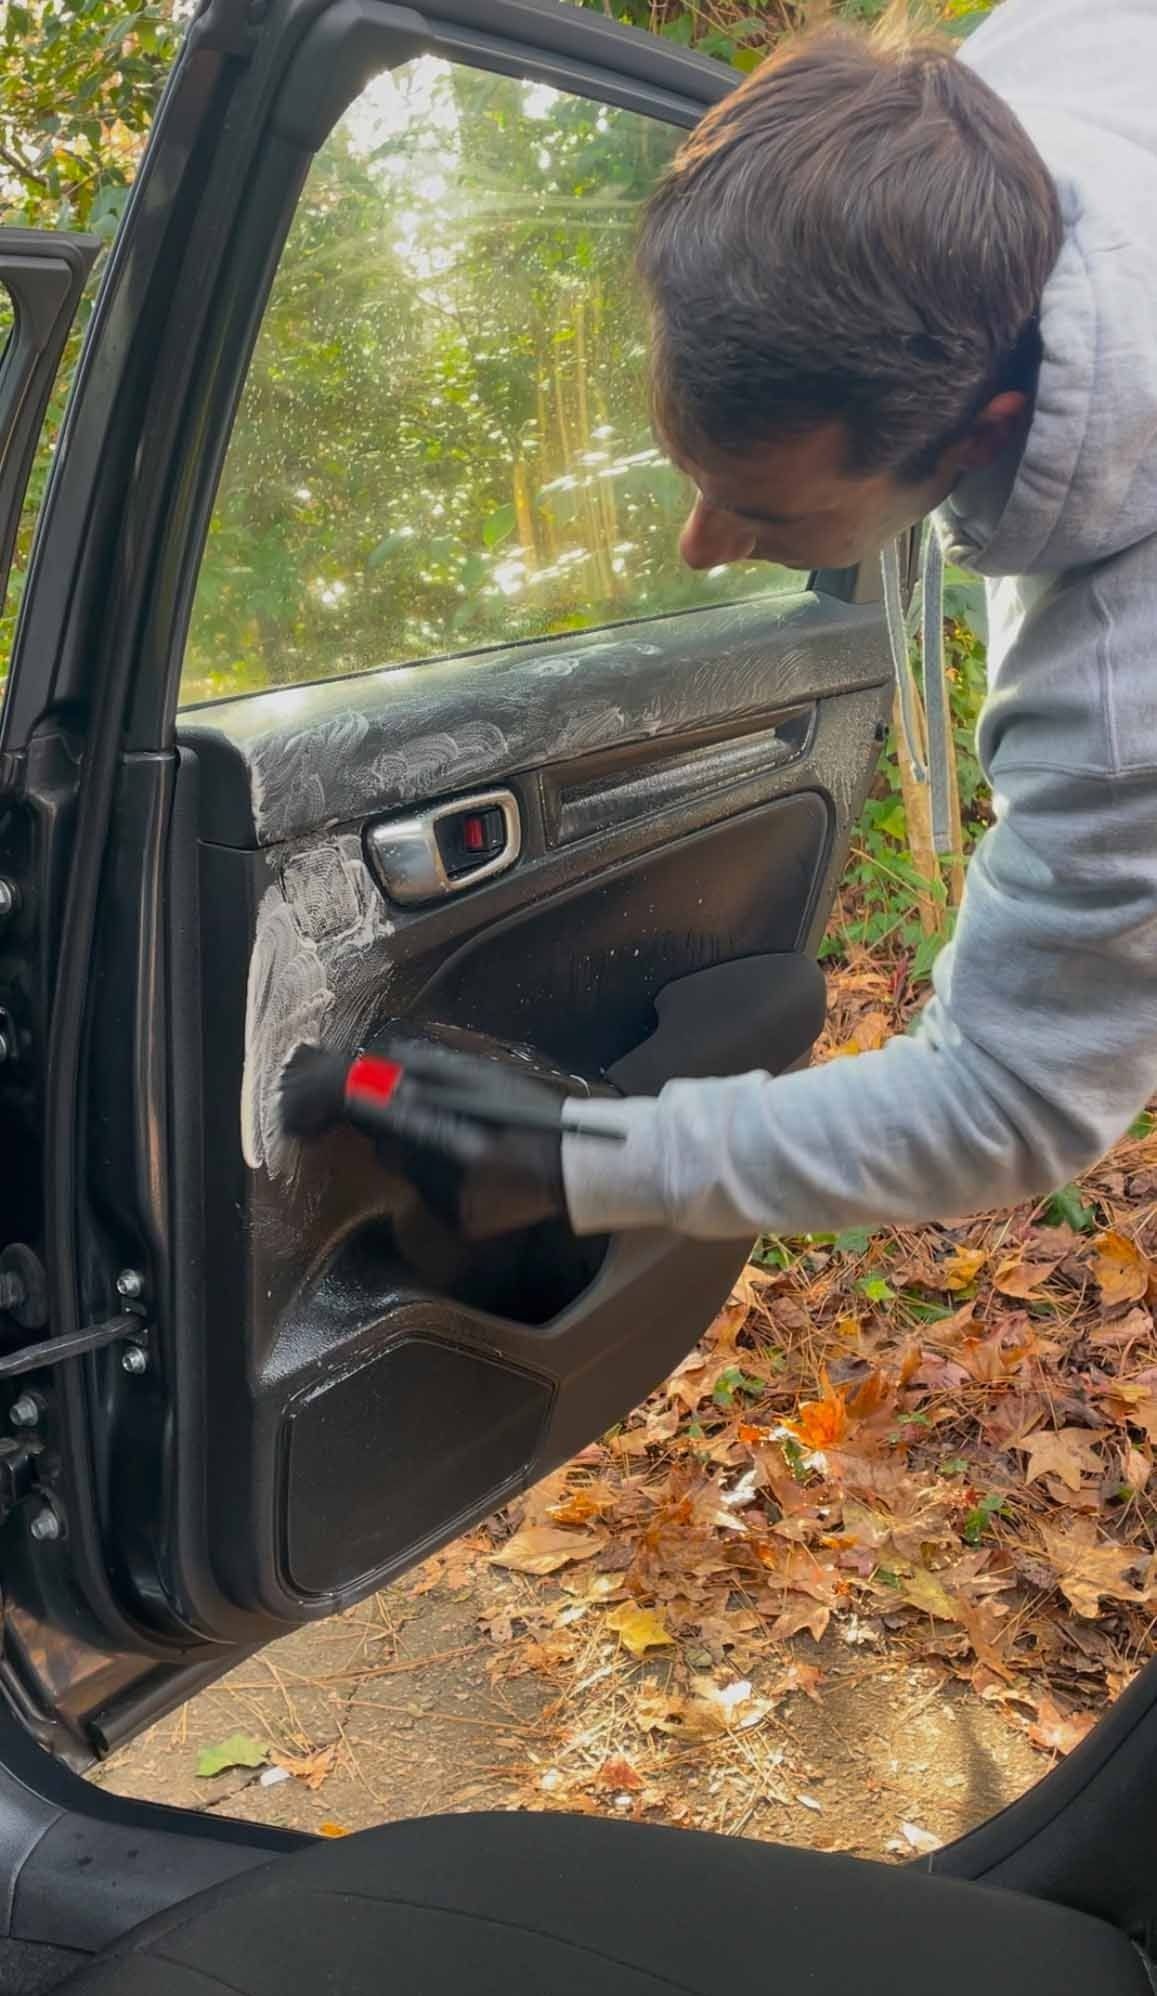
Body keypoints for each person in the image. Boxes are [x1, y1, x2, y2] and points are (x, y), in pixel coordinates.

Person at [380, 0, 1157, 1252]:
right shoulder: (1045, 63)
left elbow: (1010, 1095)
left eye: (763, 511)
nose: (699, 546)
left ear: (982, 434)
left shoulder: (1121, 694)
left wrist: (581, 1162)